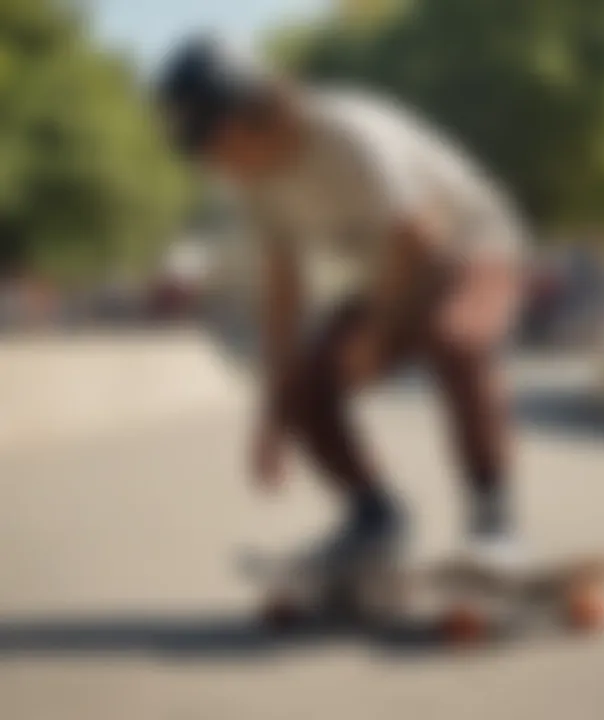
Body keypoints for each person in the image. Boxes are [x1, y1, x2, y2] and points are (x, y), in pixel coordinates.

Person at [158, 35, 527, 574]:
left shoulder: (349, 131)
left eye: (214, 145)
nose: (216, 165)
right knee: (305, 387)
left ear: (250, 113)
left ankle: (494, 524)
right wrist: (273, 411)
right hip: (394, 273)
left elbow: (420, 238)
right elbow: (284, 291)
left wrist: (377, 335)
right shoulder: (254, 183)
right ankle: (375, 519)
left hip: (474, 248)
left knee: (456, 337)